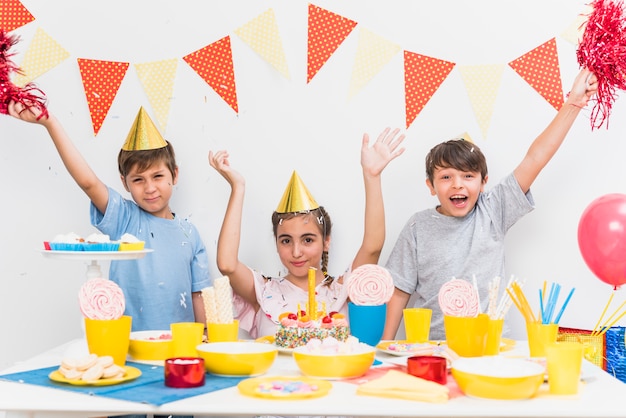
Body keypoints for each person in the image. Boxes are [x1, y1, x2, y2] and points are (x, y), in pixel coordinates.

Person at [382, 68, 599, 341]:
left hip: (487, 345)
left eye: (468, 176)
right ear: (430, 186)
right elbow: (399, 290)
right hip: (431, 347)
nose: (458, 185)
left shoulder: (493, 210)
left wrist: (573, 104)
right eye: (446, 177)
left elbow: (535, 159)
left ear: (484, 183)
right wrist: (384, 348)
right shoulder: (418, 226)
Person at [7, 103, 212, 331]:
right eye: (138, 180)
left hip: (179, 350)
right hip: (127, 347)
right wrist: (50, 122)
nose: (150, 187)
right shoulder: (125, 218)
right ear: (125, 183)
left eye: (157, 176)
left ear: (174, 174)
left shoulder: (189, 233)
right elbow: (88, 182)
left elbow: (198, 294)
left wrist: (205, 339)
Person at [209, 127, 405, 338]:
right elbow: (226, 264)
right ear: (276, 244)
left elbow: (373, 246)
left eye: (308, 239)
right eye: (286, 241)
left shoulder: (343, 290)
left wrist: (372, 177)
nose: (296, 252)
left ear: (326, 241)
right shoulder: (265, 292)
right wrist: (238, 187)